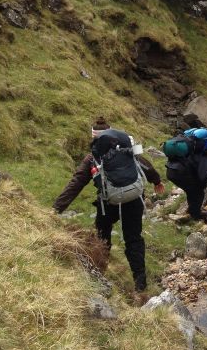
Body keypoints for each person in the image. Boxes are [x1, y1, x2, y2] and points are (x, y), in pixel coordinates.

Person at [53, 117, 164, 292]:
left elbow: (77, 183)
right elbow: (145, 165)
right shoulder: (127, 147)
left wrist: (57, 208)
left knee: (102, 236)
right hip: (133, 200)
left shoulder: (92, 157)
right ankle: (140, 284)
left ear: (93, 136)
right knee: (133, 239)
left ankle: (100, 273)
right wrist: (157, 181)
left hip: (108, 203)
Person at [164, 129, 207, 222]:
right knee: (198, 192)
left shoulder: (193, 145)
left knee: (191, 190)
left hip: (171, 171)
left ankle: (191, 210)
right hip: (180, 173)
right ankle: (195, 216)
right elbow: (203, 175)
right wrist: (203, 184)